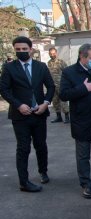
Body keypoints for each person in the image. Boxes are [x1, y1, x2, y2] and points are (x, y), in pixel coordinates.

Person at [0, 36, 55, 192]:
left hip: (39, 113)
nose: (21, 52)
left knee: (41, 145)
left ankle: (43, 172)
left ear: (31, 49)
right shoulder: (9, 68)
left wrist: (45, 103)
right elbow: (4, 90)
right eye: (18, 49)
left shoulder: (41, 66)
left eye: (24, 49)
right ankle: (24, 182)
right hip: (20, 116)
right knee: (23, 148)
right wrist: (18, 105)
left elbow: (50, 86)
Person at [59, 44, 91, 199]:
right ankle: (86, 184)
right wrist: (83, 89)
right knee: (83, 154)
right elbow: (64, 95)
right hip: (81, 120)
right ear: (82, 57)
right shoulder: (69, 72)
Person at [47, 47, 69, 124]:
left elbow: (67, 72)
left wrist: (66, 83)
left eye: (53, 53)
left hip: (61, 85)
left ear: (56, 53)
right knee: (55, 101)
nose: (52, 55)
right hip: (52, 85)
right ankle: (58, 117)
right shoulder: (49, 62)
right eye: (50, 54)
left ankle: (67, 117)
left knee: (63, 100)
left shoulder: (61, 62)